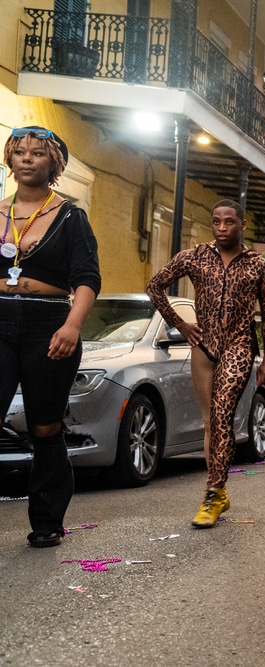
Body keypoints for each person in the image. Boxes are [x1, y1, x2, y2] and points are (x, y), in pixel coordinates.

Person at [146, 199, 265, 528]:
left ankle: (212, 491)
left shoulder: (258, 265)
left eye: (229, 222)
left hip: (240, 345)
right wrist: (180, 323)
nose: (221, 228)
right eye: (216, 221)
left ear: (242, 225)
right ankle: (218, 491)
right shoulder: (194, 256)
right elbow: (154, 286)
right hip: (203, 345)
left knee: (221, 416)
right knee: (210, 423)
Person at [0, 126, 100, 548]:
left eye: (37, 153)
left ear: (53, 163)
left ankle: (46, 522)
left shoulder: (71, 217)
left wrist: (72, 326)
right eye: (19, 152)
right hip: (0, 319)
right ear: (10, 159)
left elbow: (87, 278)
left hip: (49, 324)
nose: (26, 159)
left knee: (45, 426)